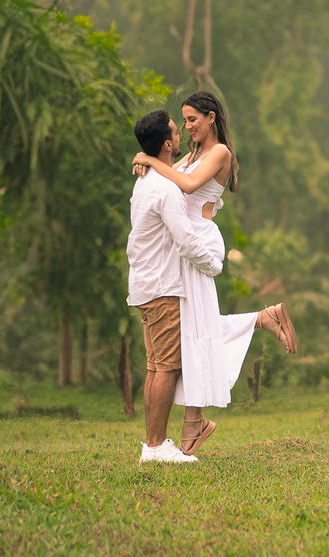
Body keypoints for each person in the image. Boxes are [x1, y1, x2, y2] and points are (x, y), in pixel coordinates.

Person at [132, 92, 297, 456]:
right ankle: (263, 319)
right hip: (181, 246)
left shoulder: (220, 152)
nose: (188, 127)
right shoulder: (189, 155)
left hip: (198, 244)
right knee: (196, 328)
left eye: (192, 120)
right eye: (183, 122)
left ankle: (193, 421)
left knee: (198, 328)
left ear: (210, 118)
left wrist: (148, 159)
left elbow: (188, 186)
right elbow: (172, 175)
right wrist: (151, 162)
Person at [126, 109, 225, 464]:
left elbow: (184, 165)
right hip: (163, 287)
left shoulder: (145, 181)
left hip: (144, 283)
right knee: (166, 367)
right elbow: (184, 240)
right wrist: (213, 264)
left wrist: (145, 158)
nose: (182, 131)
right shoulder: (166, 189)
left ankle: (153, 444)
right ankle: (155, 447)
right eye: (176, 129)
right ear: (167, 144)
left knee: (156, 366)